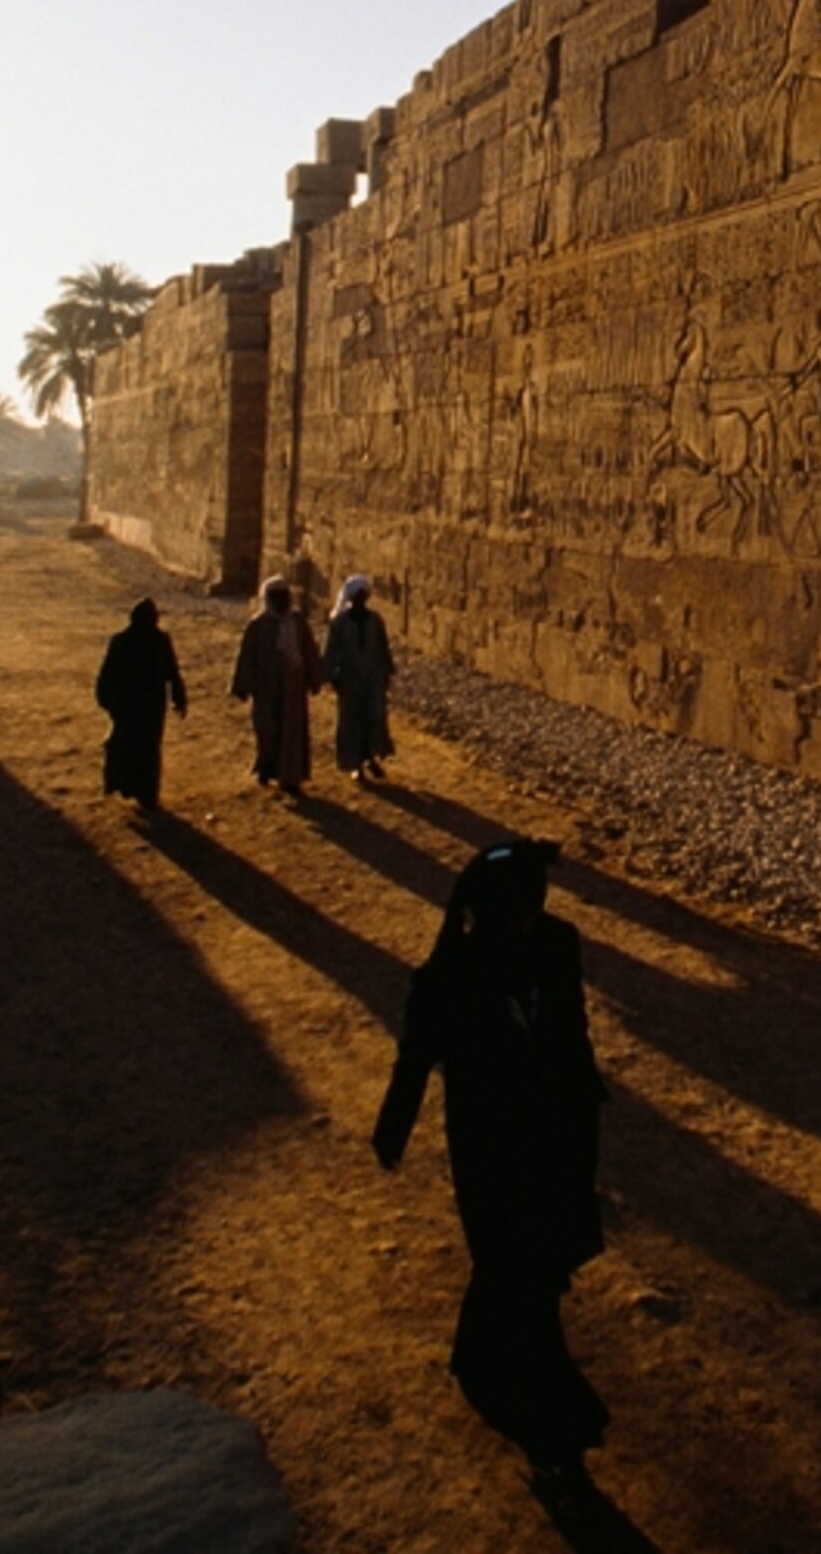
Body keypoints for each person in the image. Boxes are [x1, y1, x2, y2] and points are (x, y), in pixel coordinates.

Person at [373, 838, 609, 1500]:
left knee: (527, 1283)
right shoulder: (452, 976)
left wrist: (585, 1106)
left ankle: (530, 1412)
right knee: (519, 1283)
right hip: (491, 1152)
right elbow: (416, 1054)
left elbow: (574, 1035)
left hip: (556, 1143)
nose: (526, 924)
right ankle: (554, 1432)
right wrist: (394, 1126)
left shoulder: (557, 946)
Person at [228, 575, 323, 790]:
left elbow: (308, 650)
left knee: (292, 733)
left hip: (293, 687)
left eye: (284, 596)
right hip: (267, 688)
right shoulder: (258, 625)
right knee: (267, 731)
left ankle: (290, 777)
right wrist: (243, 686)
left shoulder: (297, 621)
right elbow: (247, 656)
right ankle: (265, 769)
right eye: (276, 597)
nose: (281, 601)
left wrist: (314, 678)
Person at [92, 597, 186, 811]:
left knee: (148, 750)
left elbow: (171, 671)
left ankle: (147, 794)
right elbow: (108, 675)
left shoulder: (160, 640)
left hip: (151, 706)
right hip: (130, 706)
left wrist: (179, 697)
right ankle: (131, 788)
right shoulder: (123, 641)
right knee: (130, 748)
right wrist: (109, 702)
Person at [326, 574, 396, 787]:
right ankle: (355, 765)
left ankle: (370, 757)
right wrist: (332, 677)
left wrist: (386, 673)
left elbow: (383, 648)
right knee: (351, 722)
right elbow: (331, 651)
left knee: (373, 718)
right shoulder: (340, 623)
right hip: (350, 679)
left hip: (373, 677)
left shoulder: (375, 620)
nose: (360, 599)